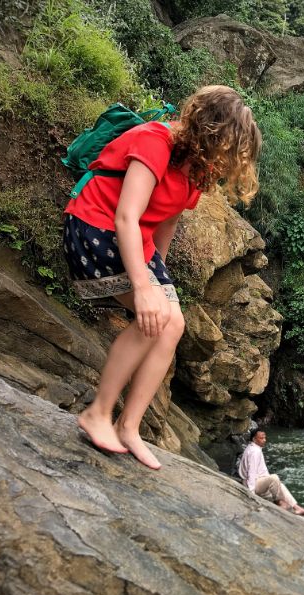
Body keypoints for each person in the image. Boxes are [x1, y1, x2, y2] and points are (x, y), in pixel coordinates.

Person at [66, 86, 261, 469]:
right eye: (228, 148)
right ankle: (98, 413)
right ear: (211, 133)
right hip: (96, 225)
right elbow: (126, 215)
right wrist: (143, 288)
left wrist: (160, 279)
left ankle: (129, 427)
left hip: (138, 239)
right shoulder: (155, 142)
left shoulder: (197, 170)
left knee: (173, 324)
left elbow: (165, 220)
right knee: (153, 318)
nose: (229, 161)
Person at [238, 429, 304, 516]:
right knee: (274, 478)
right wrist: (251, 493)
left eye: (264, 437)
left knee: (280, 485)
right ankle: (281, 503)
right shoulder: (255, 452)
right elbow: (251, 472)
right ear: (254, 439)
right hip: (252, 483)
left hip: (256, 480)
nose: (264, 440)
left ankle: (297, 508)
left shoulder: (254, 448)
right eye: (261, 438)